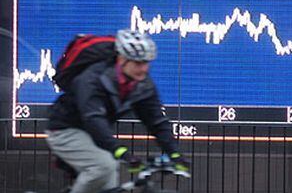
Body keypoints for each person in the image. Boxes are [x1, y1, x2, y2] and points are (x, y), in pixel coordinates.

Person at [45, 29, 189, 193]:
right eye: (137, 63)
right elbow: (93, 118)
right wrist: (120, 151)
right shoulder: (93, 78)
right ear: (121, 59)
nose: (143, 69)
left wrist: (174, 152)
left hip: (95, 134)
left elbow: (156, 121)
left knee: (109, 184)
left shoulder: (141, 84)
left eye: (146, 63)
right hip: (65, 130)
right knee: (104, 166)